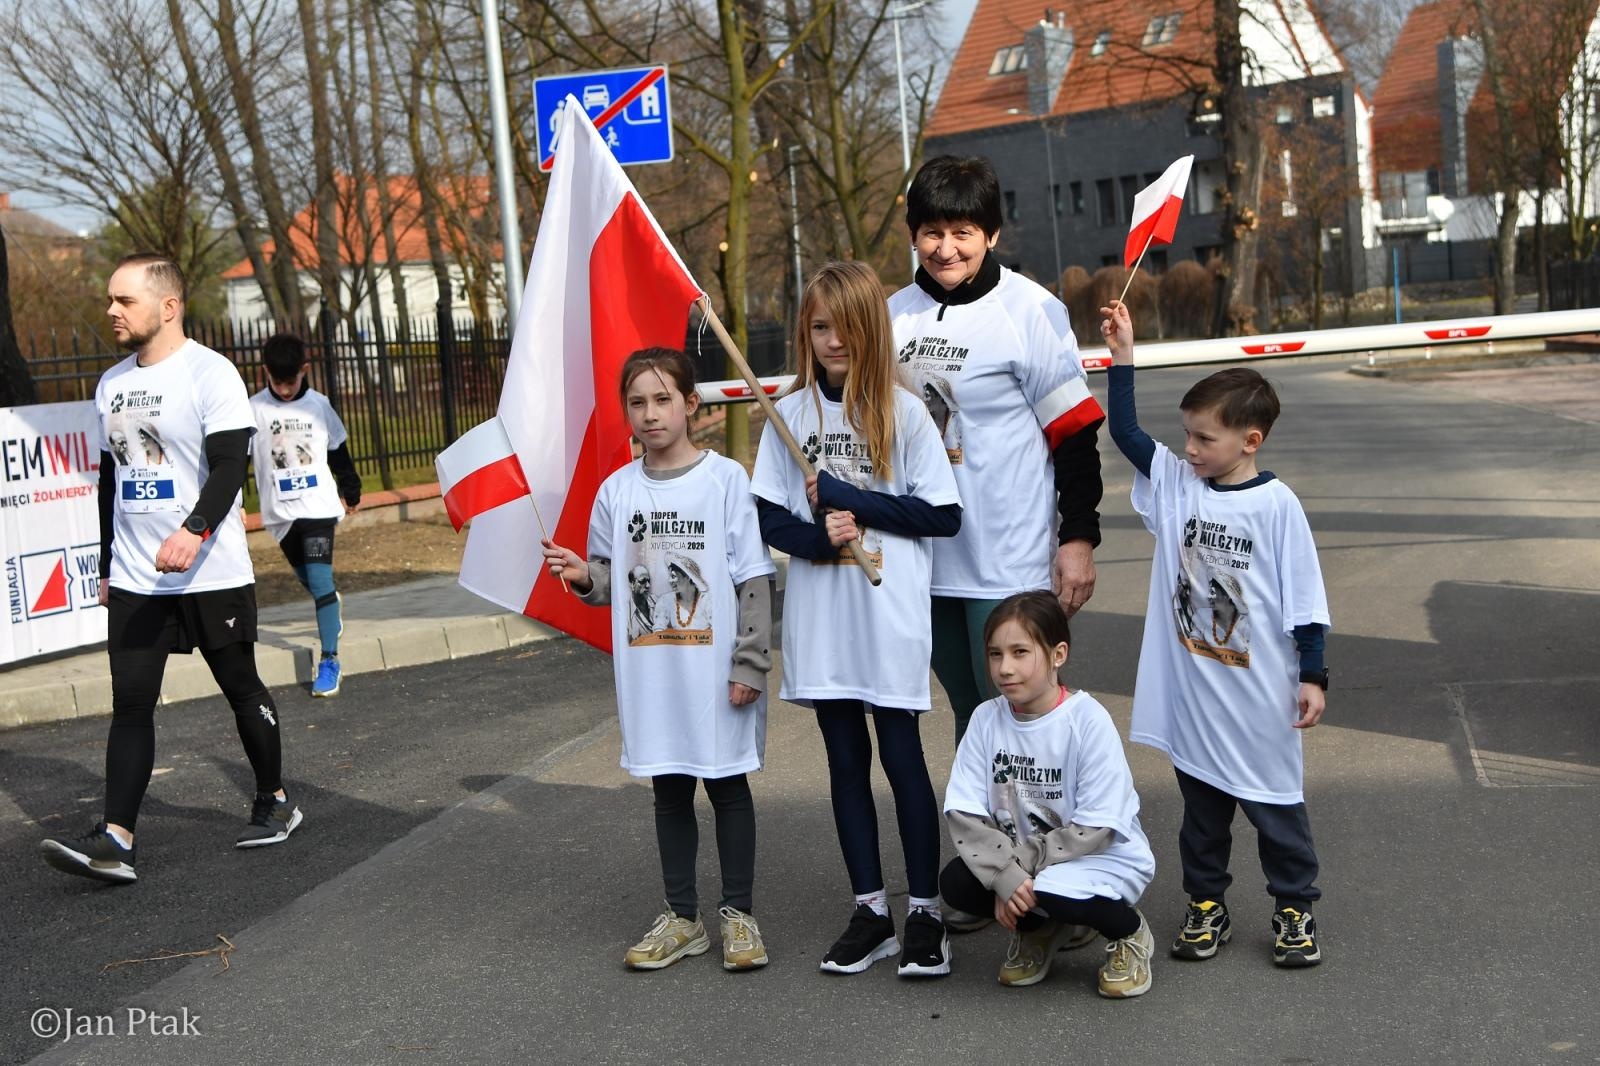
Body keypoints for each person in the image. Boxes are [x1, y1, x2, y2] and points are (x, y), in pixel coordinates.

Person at [38, 253, 302, 885]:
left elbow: (228, 466)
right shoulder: (111, 384)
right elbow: (111, 480)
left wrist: (195, 529)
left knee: (240, 685)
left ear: (168, 305)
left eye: (124, 300)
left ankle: (275, 799)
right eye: (110, 300)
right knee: (130, 703)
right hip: (136, 576)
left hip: (209, 570)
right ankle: (117, 840)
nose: (111, 311)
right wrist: (106, 564)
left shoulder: (211, 375)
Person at [1100, 299, 1331, 968]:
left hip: (1260, 698)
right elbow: (1127, 435)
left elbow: (1304, 599)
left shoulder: (1277, 506)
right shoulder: (1180, 486)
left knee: (1275, 811)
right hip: (1197, 696)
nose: (1190, 449)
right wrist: (1123, 358)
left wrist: (1313, 673)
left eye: (1204, 438)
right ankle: (1208, 907)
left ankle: (1295, 910)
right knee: (1202, 819)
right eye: (1189, 436)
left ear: (1249, 441)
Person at [751, 260, 963, 977]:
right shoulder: (792, 412)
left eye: (845, 326)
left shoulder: (901, 412)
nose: (832, 340)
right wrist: (819, 537)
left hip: (888, 611)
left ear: (870, 328)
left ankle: (927, 911)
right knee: (844, 760)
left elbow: (943, 513)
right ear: (805, 332)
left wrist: (855, 499)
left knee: (902, 758)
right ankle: (871, 909)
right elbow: (769, 516)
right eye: (818, 327)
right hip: (823, 615)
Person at [541, 347, 776, 973]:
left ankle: (738, 916)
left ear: (691, 404)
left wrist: (749, 663)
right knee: (669, 791)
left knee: (728, 789)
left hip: (715, 674)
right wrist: (583, 576)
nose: (650, 413)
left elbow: (753, 578)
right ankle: (682, 917)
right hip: (652, 677)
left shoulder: (725, 480)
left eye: (662, 398)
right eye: (637, 402)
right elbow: (611, 582)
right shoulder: (616, 492)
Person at [886, 155, 1105, 756]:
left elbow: (1076, 435)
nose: (946, 249)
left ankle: (1047, 840)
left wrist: (1078, 539)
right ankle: (985, 845)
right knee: (969, 711)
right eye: (932, 232)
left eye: (963, 233)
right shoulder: (891, 316)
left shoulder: (1032, 311)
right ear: (913, 235)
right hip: (924, 559)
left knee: (1017, 707)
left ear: (992, 235)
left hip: (1006, 558)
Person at [941, 591, 1156, 996]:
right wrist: (1005, 873)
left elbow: (1095, 828)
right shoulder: (987, 719)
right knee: (957, 883)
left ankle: (1131, 934)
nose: (1005, 668)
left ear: (1058, 654)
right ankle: (1042, 930)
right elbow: (964, 814)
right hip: (1031, 864)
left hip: (1099, 858)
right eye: (995, 654)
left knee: (1053, 890)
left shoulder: (1086, 720)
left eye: (1021, 652)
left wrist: (1012, 870)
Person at [248, 333, 362, 697]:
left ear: (305, 371)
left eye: (291, 381)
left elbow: (338, 449)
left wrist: (351, 488)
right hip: (280, 515)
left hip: (317, 507)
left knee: (320, 579)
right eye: (277, 381)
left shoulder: (318, 405)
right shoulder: (252, 410)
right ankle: (329, 601)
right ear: (265, 371)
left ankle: (329, 660)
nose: (284, 390)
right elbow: (233, 461)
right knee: (313, 584)